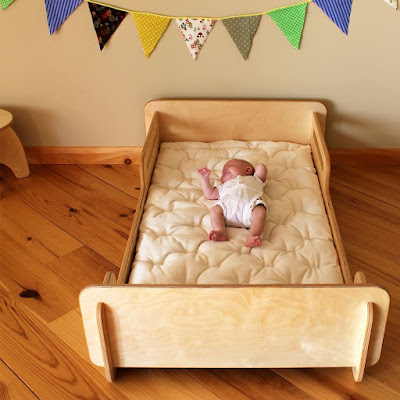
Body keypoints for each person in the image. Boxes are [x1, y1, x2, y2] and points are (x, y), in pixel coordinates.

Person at [198, 159, 268, 247]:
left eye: (230, 166)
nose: (225, 170)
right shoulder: (225, 186)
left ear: (248, 170)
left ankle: (253, 236)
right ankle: (221, 231)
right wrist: (204, 179)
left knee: (260, 212)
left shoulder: (256, 179)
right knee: (214, 210)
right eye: (223, 172)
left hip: (249, 209)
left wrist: (253, 168)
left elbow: (261, 168)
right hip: (226, 211)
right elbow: (210, 194)